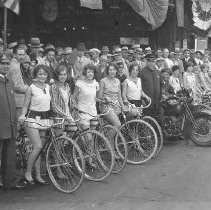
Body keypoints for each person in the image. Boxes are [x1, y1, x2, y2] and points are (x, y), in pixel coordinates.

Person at [18, 65, 51, 185]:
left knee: (40, 148)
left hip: (45, 118)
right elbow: (25, 105)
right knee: (37, 146)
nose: (42, 76)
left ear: (47, 75)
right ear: (36, 75)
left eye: (44, 74)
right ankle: (28, 172)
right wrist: (22, 115)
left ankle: (37, 175)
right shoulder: (30, 88)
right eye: (40, 74)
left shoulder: (49, 87)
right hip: (32, 118)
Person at [0, 54, 27, 190]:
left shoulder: (9, 81)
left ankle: (8, 183)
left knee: (9, 157)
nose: (5, 66)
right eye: (2, 63)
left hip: (10, 125)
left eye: (7, 63)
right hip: (1, 125)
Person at [72, 64, 99, 166]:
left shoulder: (96, 84)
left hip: (93, 111)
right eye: (88, 72)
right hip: (82, 112)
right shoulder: (79, 84)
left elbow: (93, 98)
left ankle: (89, 159)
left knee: (92, 135)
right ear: (85, 73)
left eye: (92, 72)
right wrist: (75, 109)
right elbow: (73, 97)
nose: (90, 74)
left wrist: (102, 100)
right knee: (88, 137)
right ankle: (80, 155)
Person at [98, 63, 125, 128]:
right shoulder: (103, 81)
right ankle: (108, 138)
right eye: (110, 70)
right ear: (107, 71)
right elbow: (99, 97)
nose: (112, 72)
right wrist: (105, 98)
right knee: (118, 124)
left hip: (116, 105)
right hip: (106, 106)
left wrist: (123, 107)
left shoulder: (118, 81)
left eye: (114, 70)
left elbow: (119, 97)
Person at [9, 48, 28, 119]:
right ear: (14, 55)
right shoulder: (15, 66)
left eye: (23, 55)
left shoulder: (17, 64)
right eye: (20, 55)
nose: (22, 57)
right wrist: (27, 89)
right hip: (17, 98)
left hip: (17, 98)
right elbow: (16, 86)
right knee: (18, 122)